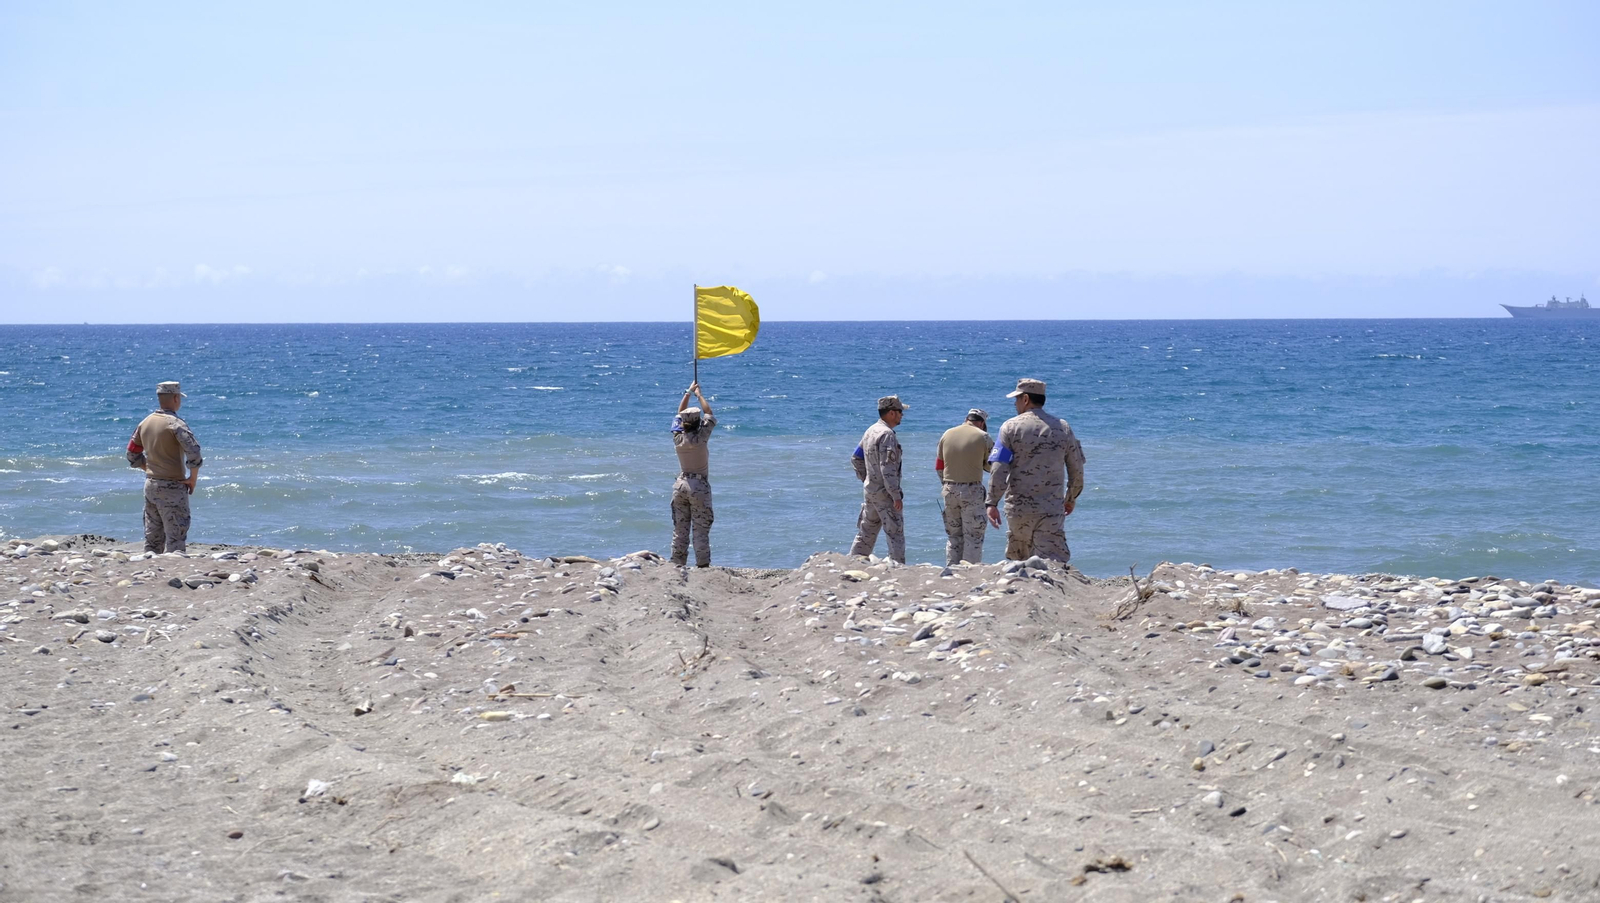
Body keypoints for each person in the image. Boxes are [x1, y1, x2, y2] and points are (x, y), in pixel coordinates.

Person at [985, 378, 1085, 563]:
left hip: (1019, 509)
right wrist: (1070, 498)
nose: (1015, 404)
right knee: (1052, 565)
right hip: (1051, 509)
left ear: (1025, 399)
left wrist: (991, 502)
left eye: (1016, 400)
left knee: (1020, 566)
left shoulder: (1010, 427)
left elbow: (999, 468)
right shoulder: (1062, 427)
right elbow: (1077, 468)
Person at [126, 381, 203, 554]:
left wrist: (148, 468)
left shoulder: (145, 423)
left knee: (152, 539)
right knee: (176, 540)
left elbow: (131, 453)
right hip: (172, 487)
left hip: (151, 485)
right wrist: (192, 479)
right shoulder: (176, 424)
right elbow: (194, 453)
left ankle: (150, 572)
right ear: (176, 398)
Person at [849, 395, 907, 564]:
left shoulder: (871, 430)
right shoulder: (887, 434)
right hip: (884, 492)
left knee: (867, 530)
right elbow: (887, 468)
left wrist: (867, 479)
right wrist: (895, 495)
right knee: (895, 532)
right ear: (891, 413)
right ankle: (899, 567)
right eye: (900, 412)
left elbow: (855, 458)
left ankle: (852, 562)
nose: (902, 415)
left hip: (871, 490)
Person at [935, 408, 994, 565]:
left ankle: (951, 570)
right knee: (973, 536)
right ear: (982, 423)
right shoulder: (983, 437)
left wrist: (947, 484)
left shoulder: (947, 434)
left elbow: (939, 466)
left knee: (954, 537)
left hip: (948, 489)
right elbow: (991, 466)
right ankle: (969, 572)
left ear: (966, 419)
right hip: (972, 491)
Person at [669, 382, 717, 567]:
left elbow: (678, 414)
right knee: (700, 528)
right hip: (698, 486)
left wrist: (688, 393)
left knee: (680, 528)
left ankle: (677, 564)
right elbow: (710, 415)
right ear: (698, 422)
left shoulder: (678, 438)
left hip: (680, 484)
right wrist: (700, 395)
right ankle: (703, 565)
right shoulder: (701, 438)